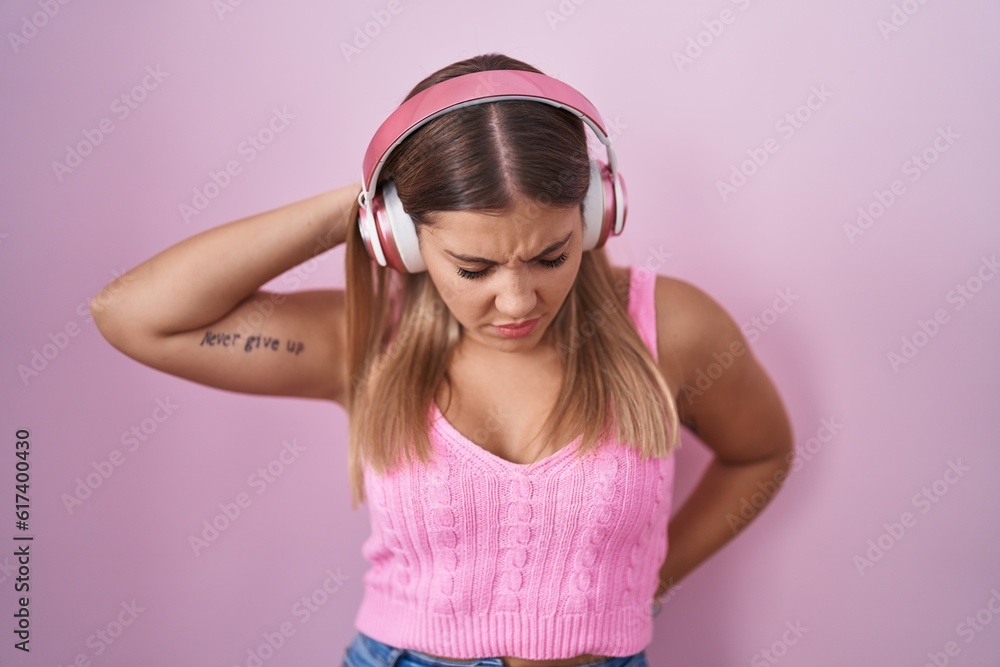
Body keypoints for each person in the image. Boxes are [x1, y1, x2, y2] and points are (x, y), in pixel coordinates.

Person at [91, 53, 793, 667]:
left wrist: (650, 575)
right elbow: (132, 315)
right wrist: (361, 206)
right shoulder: (369, 340)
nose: (517, 300)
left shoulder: (671, 326)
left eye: (551, 255)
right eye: (474, 266)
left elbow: (760, 452)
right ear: (403, 240)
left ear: (593, 214)